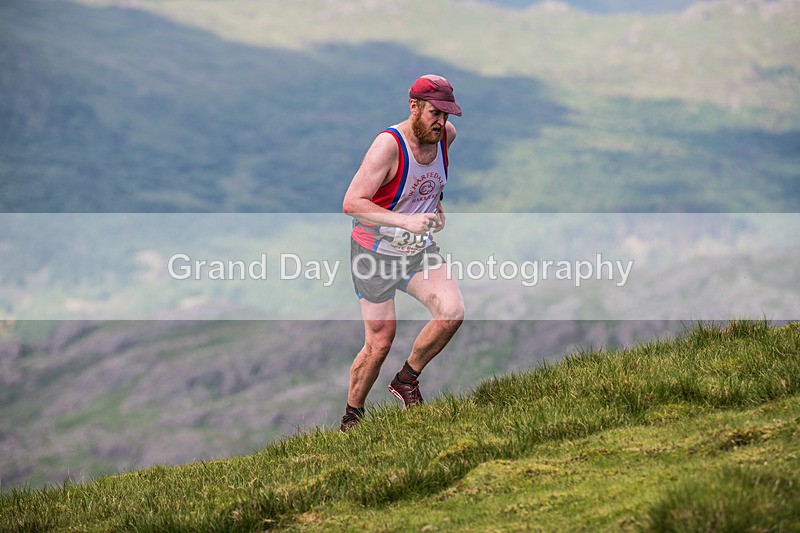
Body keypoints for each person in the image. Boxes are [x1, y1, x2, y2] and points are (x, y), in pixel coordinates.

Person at [340, 74, 466, 432]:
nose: (441, 123)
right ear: (414, 107)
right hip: (374, 254)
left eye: (447, 115)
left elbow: (432, 184)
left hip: (417, 251)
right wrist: (405, 221)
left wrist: (436, 207)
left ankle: (407, 379)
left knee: (452, 312)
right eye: (434, 114)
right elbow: (351, 203)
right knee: (379, 342)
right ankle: (353, 417)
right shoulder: (388, 145)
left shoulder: (446, 138)